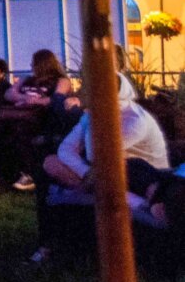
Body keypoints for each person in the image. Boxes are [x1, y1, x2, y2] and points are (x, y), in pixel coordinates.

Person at [30, 73, 170, 264]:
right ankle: (47, 244)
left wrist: (95, 119)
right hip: (99, 173)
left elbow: (98, 153)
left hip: (137, 178)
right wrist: (86, 173)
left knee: (116, 167)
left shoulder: (135, 120)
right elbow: (66, 149)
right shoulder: (92, 115)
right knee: (50, 162)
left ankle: (129, 201)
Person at [0, 49, 80, 191]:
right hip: (20, 113)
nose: (31, 66)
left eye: (33, 63)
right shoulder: (26, 79)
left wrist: (34, 101)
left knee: (21, 129)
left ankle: (28, 175)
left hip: (42, 117)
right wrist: (25, 98)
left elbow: (56, 99)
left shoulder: (61, 81)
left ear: (42, 64)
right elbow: (9, 93)